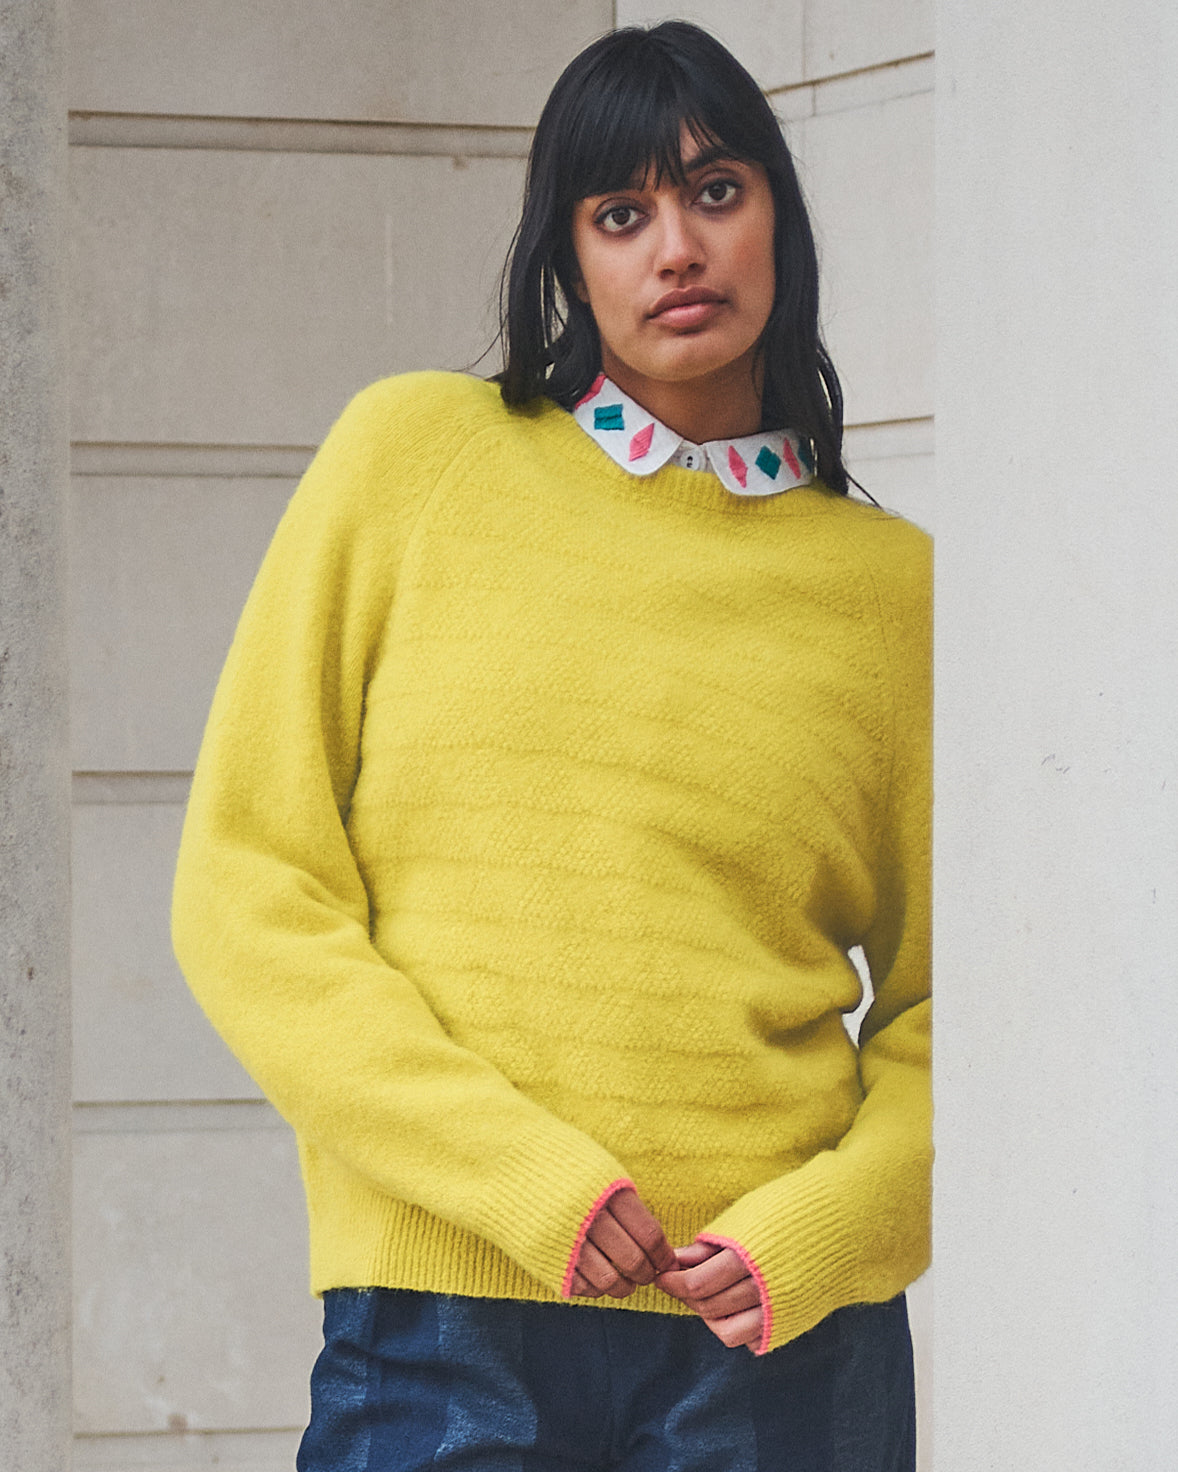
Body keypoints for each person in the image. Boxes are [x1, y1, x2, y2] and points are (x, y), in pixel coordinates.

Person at [172, 20, 930, 1471]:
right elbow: (249, 889)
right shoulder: (414, 459)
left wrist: (821, 1229)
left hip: (772, 1343)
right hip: (441, 1314)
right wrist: (523, 1179)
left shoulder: (895, 593)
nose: (674, 248)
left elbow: (970, 1013)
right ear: (565, 258)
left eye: (715, 191)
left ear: (779, 212)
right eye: (619, 212)